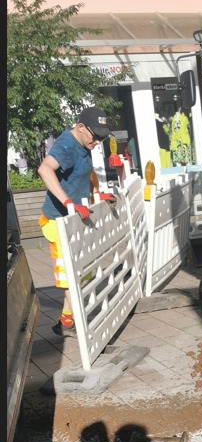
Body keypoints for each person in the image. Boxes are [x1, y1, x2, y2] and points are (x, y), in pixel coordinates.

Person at [38, 106, 115, 337]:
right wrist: (69, 203)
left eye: (102, 137)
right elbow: (44, 169)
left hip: (74, 219)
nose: (98, 141)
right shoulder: (67, 145)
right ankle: (81, 327)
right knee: (69, 275)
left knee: (79, 271)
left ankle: (65, 322)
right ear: (81, 128)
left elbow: (84, 174)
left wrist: (95, 194)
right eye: (96, 136)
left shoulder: (84, 144)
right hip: (57, 222)